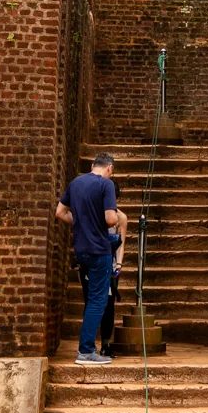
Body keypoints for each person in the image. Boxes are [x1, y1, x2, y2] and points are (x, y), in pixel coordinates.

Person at [55, 152, 123, 365]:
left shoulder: (76, 183)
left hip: (81, 250)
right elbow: (111, 219)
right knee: (98, 300)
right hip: (99, 249)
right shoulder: (106, 185)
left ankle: (86, 348)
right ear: (110, 168)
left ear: (93, 165)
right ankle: (86, 351)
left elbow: (60, 212)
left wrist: (81, 223)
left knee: (91, 299)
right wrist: (107, 221)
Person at [79, 203, 127, 359]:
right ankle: (89, 345)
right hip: (91, 261)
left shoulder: (120, 217)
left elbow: (121, 243)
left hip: (109, 264)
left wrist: (118, 264)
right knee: (91, 302)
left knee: (108, 304)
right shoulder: (91, 212)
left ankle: (105, 344)